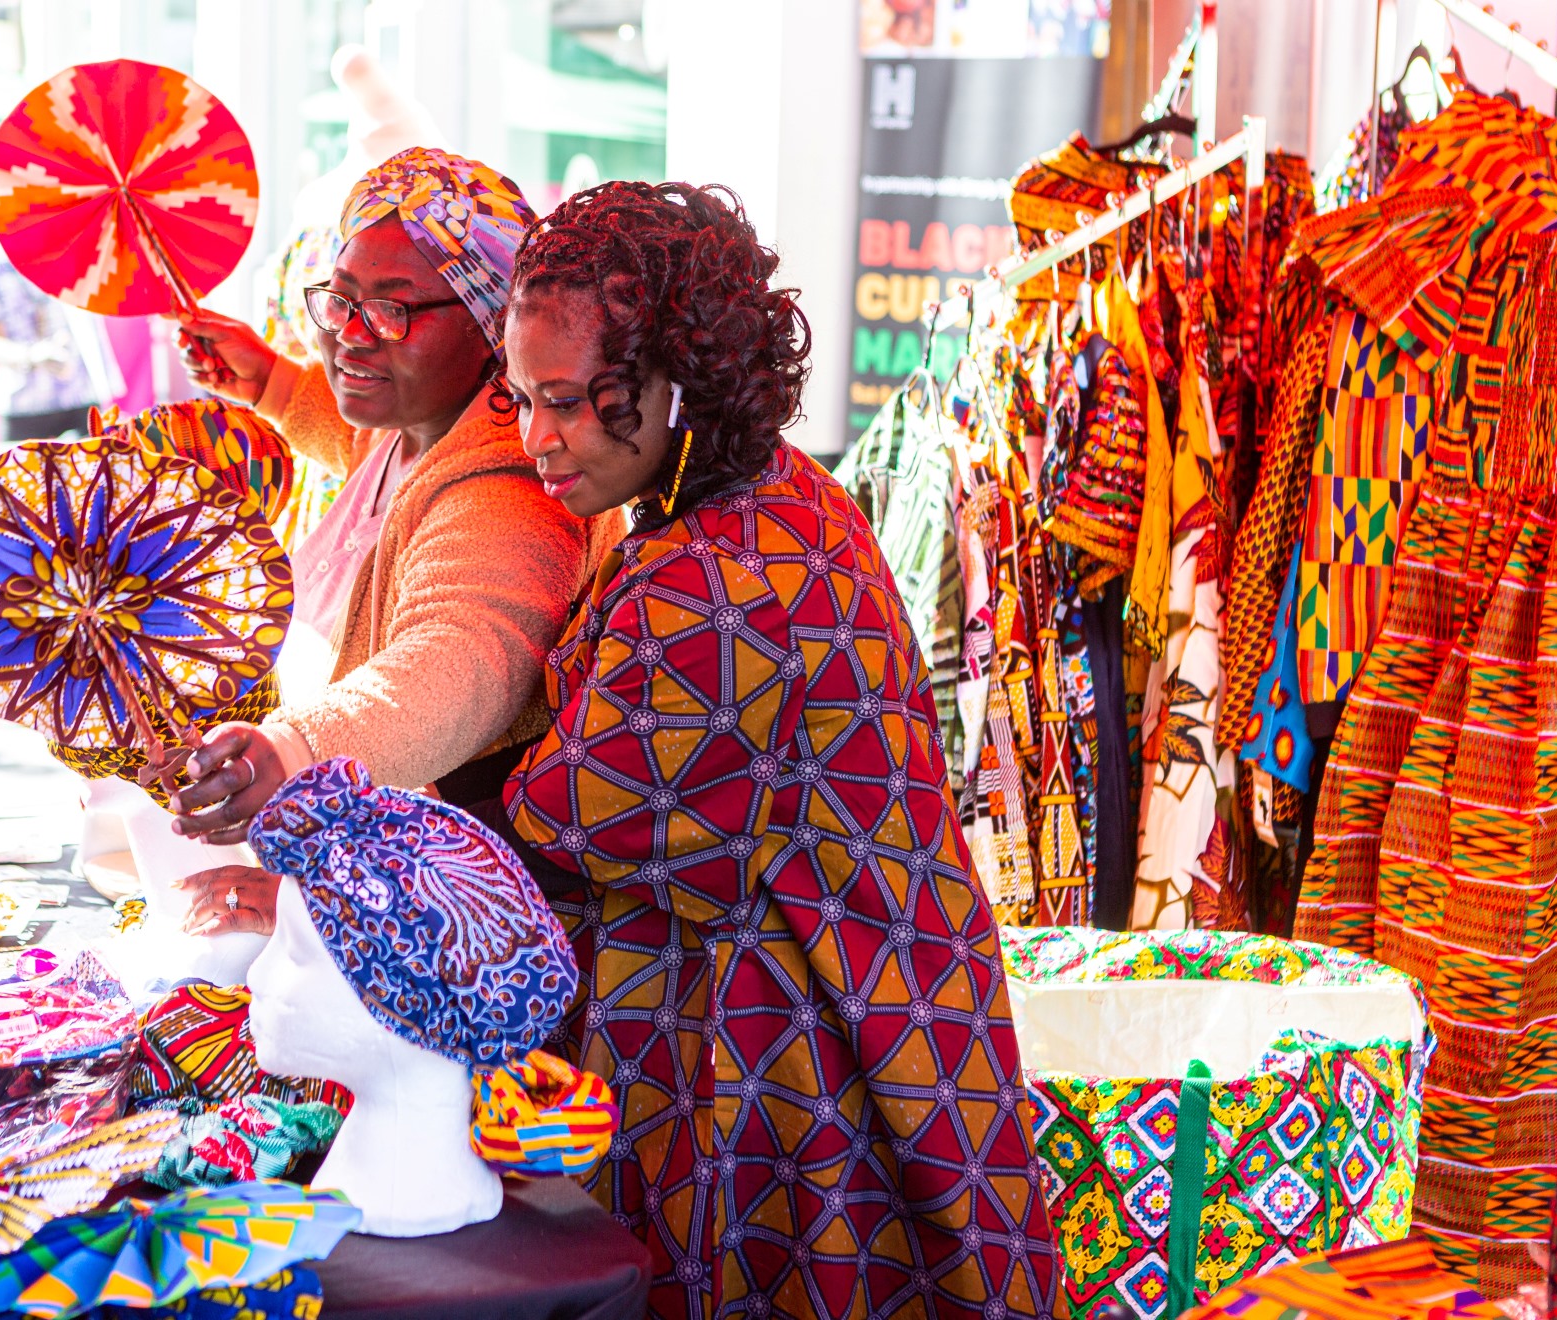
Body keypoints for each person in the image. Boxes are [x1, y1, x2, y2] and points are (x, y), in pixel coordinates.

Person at [492, 183, 1055, 1318]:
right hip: (893, 1015)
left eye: (569, 402)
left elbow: (574, 817)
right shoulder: (782, 497)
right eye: (519, 398)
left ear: (681, 386)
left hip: (795, 1070)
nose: (536, 440)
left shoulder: (716, 580)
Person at [165, 147, 621, 856]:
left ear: (490, 321)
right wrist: (268, 384)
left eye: (391, 311)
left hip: (422, 891)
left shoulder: (510, 488)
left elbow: (459, 661)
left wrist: (294, 748)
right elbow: (353, 444)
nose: (349, 333)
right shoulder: (414, 422)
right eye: (340, 298)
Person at [0, 173, 123, 445]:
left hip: (84, 393)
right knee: (21, 485)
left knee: (94, 482)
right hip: (26, 404)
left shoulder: (68, 247)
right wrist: (34, 355)